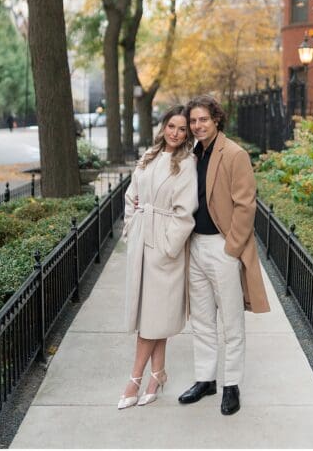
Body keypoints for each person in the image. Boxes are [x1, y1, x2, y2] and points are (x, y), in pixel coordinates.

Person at [178, 95, 270, 416]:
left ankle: (231, 385)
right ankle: (206, 379)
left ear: (216, 119)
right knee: (202, 319)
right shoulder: (192, 155)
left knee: (231, 320)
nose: (198, 125)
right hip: (196, 246)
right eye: (193, 121)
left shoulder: (234, 154)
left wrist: (232, 248)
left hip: (223, 246)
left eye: (203, 119)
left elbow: (246, 204)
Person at [118, 105, 198, 409]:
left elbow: (185, 214)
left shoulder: (186, 163)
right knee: (152, 314)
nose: (176, 133)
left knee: (153, 317)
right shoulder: (149, 157)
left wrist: (168, 247)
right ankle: (158, 373)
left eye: (182, 129)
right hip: (142, 239)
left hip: (164, 247)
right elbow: (131, 195)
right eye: (172, 127)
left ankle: (135, 379)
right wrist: (130, 227)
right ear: (163, 127)